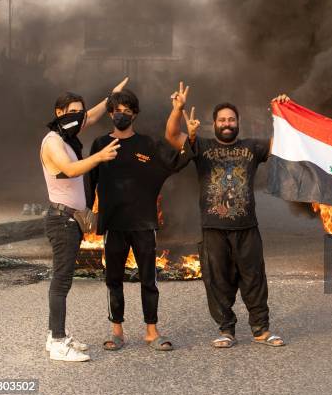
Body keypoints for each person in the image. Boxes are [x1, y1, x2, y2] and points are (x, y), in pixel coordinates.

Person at [165, 82, 288, 348]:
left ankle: (261, 330)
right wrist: (178, 110)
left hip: (247, 227)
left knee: (254, 278)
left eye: (231, 119)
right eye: (222, 119)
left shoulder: (252, 147)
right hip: (213, 228)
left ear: (238, 122)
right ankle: (226, 330)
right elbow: (172, 136)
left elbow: (284, 145)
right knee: (217, 280)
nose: (227, 123)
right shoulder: (201, 145)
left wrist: (283, 112)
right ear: (214, 124)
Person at [88, 89, 195, 352]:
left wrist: (190, 136)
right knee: (113, 279)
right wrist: (88, 212)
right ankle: (117, 331)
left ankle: (151, 331)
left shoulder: (148, 145)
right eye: (115, 110)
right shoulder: (100, 144)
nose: (120, 114)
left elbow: (177, 162)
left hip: (144, 223)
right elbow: (89, 181)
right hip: (114, 223)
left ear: (134, 114)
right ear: (110, 114)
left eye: (126, 110)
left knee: (149, 279)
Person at [41, 77, 128, 361]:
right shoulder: (53, 142)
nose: (79, 116)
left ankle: (58, 335)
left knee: (63, 280)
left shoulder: (67, 135)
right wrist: (100, 156)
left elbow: (91, 116)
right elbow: (71, 168)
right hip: (62, 221)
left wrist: (110, 95)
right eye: (72, 112)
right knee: (62, 280)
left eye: (80, 111)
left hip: (73, 220)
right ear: (58, 113)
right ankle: (57, 342)